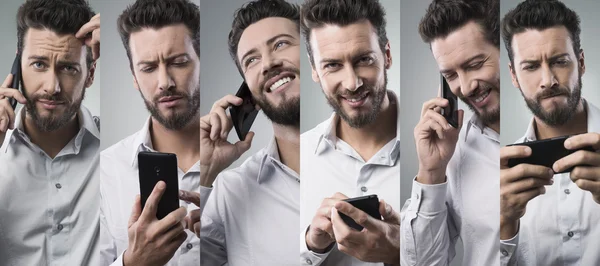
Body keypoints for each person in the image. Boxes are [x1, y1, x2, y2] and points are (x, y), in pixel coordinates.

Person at [198, 0, 301, 265]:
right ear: (248, 94)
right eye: (252, 60)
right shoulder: (229, 192)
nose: (268, 64)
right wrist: (205, 172)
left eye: (280, 44)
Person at [98, 0, 200, 265]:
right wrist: (135, 261)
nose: (164, 82)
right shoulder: (103, 173)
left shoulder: (244, 169)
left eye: (178, 62)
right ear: (133, 76)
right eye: (148, 68)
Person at [299, 0, 400, 265]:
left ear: (387, 55)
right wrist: (312, 245)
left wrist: (404, 252)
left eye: (364, 59)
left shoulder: (440, 149)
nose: (352, 83)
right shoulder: (298, 156)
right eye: (332, 65)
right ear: (314, 70)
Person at [400, 0, 501, 265]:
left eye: (475, 64)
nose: (465, 88)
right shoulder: (454, 153)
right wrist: (431, 172)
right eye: (451, 75)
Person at [500, 1, 600, 265]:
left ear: (580, 62)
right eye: (531, 66)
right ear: (513, 75)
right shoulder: (501, 177)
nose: (548, 80)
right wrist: (503, 224)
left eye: (559, 61)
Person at [0, 0, 100, 265]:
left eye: (68, 68)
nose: (52, 87)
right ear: (18, 66)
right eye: (39, 65)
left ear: (90, 74)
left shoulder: (119, 153)